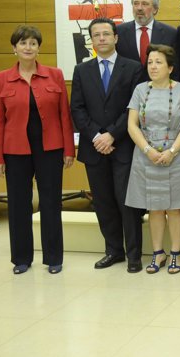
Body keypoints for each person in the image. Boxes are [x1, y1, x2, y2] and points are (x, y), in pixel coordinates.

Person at [0, 25, 75, 274]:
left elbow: (64, 116)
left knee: (51, 203)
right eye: (23, 43)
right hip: (14, 150)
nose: (28, 47)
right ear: (14, 48)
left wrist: (69, 149)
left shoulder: (54, 75)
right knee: (18, 205)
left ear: (39, 48)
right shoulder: (1, 79)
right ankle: (21, 259)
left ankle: (54, 257)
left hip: (50, 148)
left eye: (33, 43)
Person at [71, 17, 144, 273]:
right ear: (91, 40)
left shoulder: (133, 68)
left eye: (106, 34)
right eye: (96, 35)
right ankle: (113, 251)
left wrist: (112, 135)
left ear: (116, 38)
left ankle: (134, 254)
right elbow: (77, 109)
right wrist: (96, 137)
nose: (101, 38)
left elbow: (134, 108)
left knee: (127, 202)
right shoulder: (82, 70)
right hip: (94, 149)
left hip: (123, 146)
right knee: (103, 202)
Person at [126, 44, 180, 274]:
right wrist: (148, 150)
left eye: (158, 62)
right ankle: (158, 254)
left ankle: (175, 254)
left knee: (176, 208)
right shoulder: (140, 90)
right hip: (146, 154)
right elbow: (131, 124)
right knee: (155, 208)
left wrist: (172, 151)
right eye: (150, 62)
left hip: (176, 154)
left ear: (170, 67)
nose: (153, 66)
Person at [116, 0, 178, 80]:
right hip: (127, 91)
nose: (139, 8)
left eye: (145, 4)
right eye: (136, 3)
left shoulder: (170, 33)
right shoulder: (118, 32)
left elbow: (175, 67)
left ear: (155, 9)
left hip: (159, 89)